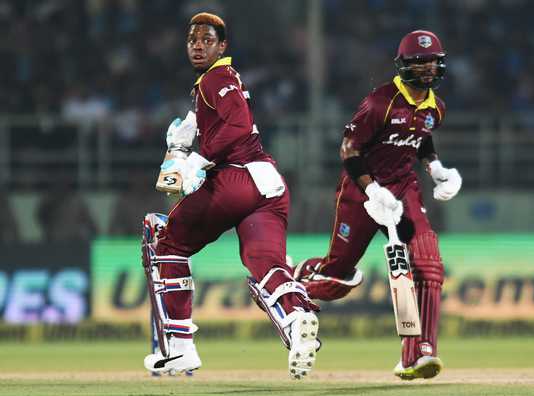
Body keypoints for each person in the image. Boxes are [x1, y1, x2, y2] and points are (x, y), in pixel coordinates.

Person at [142, 13, 320, 379]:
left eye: (207, 40)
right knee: (266, 264)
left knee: (167, 243)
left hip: (235, 179)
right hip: (269, 185)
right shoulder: (218, 83)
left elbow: (237, 125)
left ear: (222, 47)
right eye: (193, 39)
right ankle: (298, 320)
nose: (198, 45)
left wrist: (197, 159)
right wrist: (190, 133)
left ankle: (179, 349)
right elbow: (229, 120)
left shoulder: (217, 76)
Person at [293, 30, 462, 380]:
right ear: (405, 65)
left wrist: (436, 170)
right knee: (338, 279)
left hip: (404, 191)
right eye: (419, 62)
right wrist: (372, 191)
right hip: (361, 194)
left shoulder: (436, 108)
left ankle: (420, 353)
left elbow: (422, 139)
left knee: (429, 266)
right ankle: (290, 282)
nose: (427, 68)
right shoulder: (379, 102)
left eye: (432, 61)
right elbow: (349, 151)